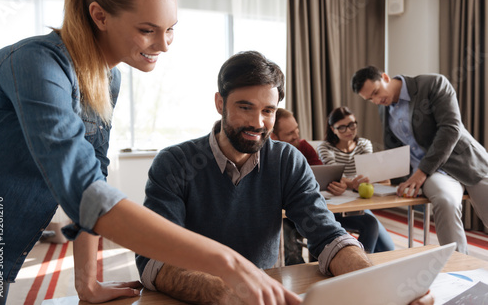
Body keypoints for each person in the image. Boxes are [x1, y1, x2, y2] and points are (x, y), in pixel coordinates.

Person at [0, 0, 301, 304]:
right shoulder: (36, 64)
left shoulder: (109, 79)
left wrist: (87, 284)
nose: (164, 45)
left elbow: (96, 178)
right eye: (147, 30)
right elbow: (84, 191)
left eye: (170, 30)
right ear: (100, 16)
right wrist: (227, 261)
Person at [135, 51, 433, 305]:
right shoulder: (174, 163)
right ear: (219, 103)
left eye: (268, 110)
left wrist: (379, 286)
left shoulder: (287, 160)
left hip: (264, 296)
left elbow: (328, 235)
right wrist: (230, 294)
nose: (257, 122)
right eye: (244, 107)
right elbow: (153, 261)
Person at [351, 66, 488, 254]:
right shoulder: (384, 108)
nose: (377, 100)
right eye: (370, 99)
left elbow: (450, 128)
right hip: (435, 174)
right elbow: (394, 151)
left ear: (385, 77)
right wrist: (375, 175)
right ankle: (458, 268)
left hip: (466, 162)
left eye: (376, 92)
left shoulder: (433, 84)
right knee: (445, 201)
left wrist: (421, 172)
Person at [317, 106, 395, 253]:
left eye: (352, 125)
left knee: (388, 249)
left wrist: (349, 182)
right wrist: (353, 183)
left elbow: (367, 174)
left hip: (359, 204)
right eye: (342, 127)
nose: (349, 131)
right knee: (370, 224)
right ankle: (361, 266)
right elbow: (335, 175)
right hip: (336, 206)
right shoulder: (325, 147)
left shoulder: (364, 144)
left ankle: (363, 261)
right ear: (333, 129)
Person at [271, 108, 321, 265]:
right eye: (290, 133)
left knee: (322, 232)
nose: (296, 135)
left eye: (296, 129)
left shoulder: (304, 147)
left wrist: (335, 184)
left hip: (305, 206)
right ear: (274, 137)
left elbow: (322, 173)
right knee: (291, 248)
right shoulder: (267, 157)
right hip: (282, 214)